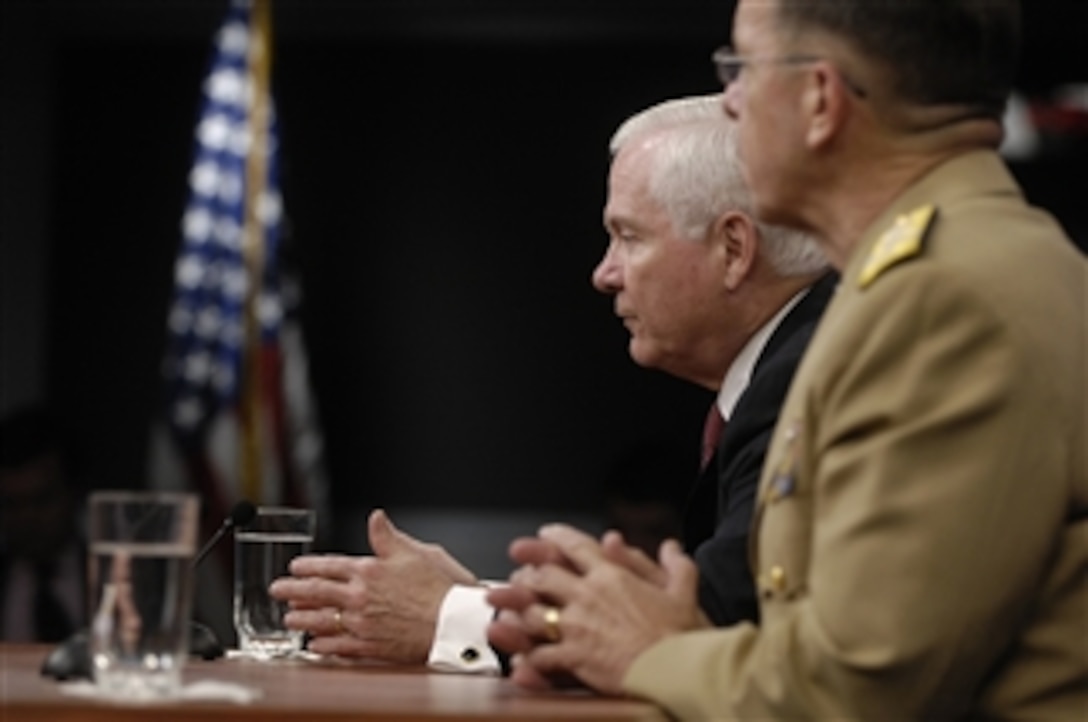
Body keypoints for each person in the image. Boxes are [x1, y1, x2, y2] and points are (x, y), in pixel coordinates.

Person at [486, 1, 1088, 719]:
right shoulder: (953, 267)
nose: (731, 102)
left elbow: (857, 692)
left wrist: (649, 649)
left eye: (740, 68)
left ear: (820, 99)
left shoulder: (940, 302)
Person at [268, 94, 831, 672]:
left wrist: (453, 614)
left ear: (734, 249)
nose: (604, 273)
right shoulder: (788, 362)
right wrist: (495, 604)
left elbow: (711, 618)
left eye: (628, 237)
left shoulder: (804, 378)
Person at [0, 404, 87, 643]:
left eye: (41, 501)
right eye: (11, 504)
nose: (26, 518)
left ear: (74, 494)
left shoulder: (120, 581)